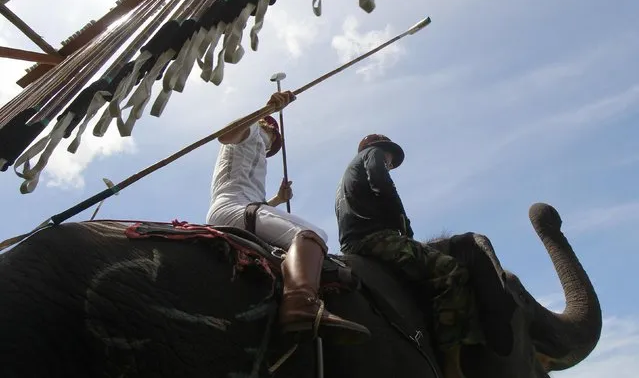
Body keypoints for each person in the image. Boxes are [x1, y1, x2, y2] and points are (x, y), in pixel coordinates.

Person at [206, 91, 370, 345]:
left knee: (295, 245)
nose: (271, 147)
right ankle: (301, 305)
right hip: (235, 208)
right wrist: (265, 111)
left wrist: (276, 201)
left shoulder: (255, 149)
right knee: (313, 236)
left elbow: (250, 203)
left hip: (238, 209)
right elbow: (225, 135)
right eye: (273, 140)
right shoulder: (253, 131)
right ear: (268, 128)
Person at [335, 134, 514, 362]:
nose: (390, 165)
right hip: (375, 239)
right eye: (390, 160)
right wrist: (404, 225)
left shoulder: (343, 180)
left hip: (350, 245)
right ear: (381, 150)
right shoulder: (373, 154)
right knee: (450, 270)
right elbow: (381, 183)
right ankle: (451, 362)